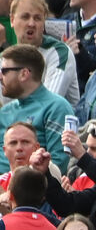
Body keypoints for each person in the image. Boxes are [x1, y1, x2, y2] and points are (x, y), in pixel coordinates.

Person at [0, 44, 73, 176]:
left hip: (31, 189)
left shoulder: (57, 107)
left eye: (4, 71)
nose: (0, 77)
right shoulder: (5, 111)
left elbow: (58, 164)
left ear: (24, 74)